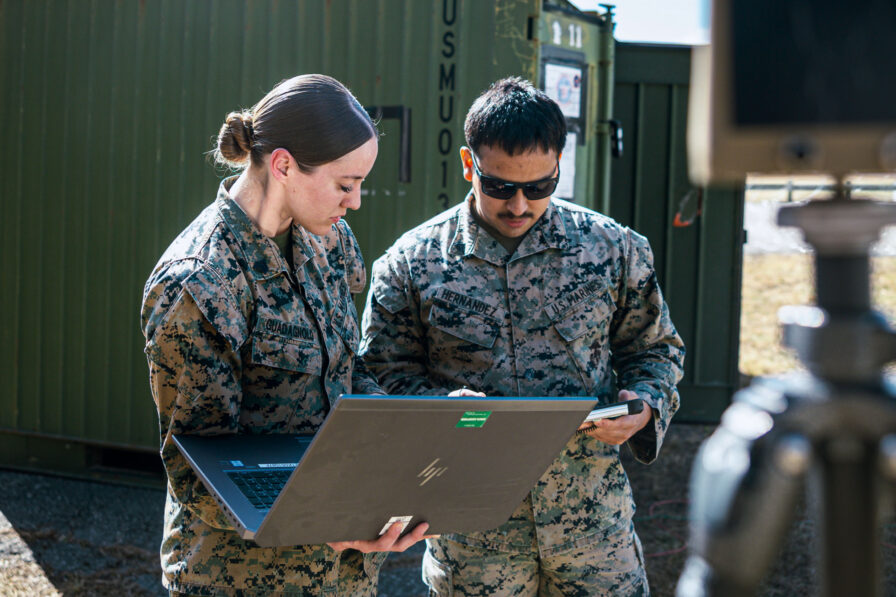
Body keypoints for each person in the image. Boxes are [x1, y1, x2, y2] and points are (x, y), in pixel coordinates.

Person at [359, 77, 685, 596]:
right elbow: (379, 378)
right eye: (499, 186)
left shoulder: (613, 248)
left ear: (559, 163)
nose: (519, 205)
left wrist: (644, 405)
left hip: (593, 532)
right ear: (470, 165)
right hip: (472, 537)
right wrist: (441, 409)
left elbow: (656, 350)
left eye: (538, 187)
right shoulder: (411, 264)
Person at [140, 74, 430, 597]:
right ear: (283, 165)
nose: (356, 202)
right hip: (242, 579)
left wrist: (420, 426)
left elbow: (346, 371)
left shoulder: (331, 240)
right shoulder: (199, 282)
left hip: (344, 575)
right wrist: (329, 518)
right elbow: (198, 469)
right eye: (346, 184)